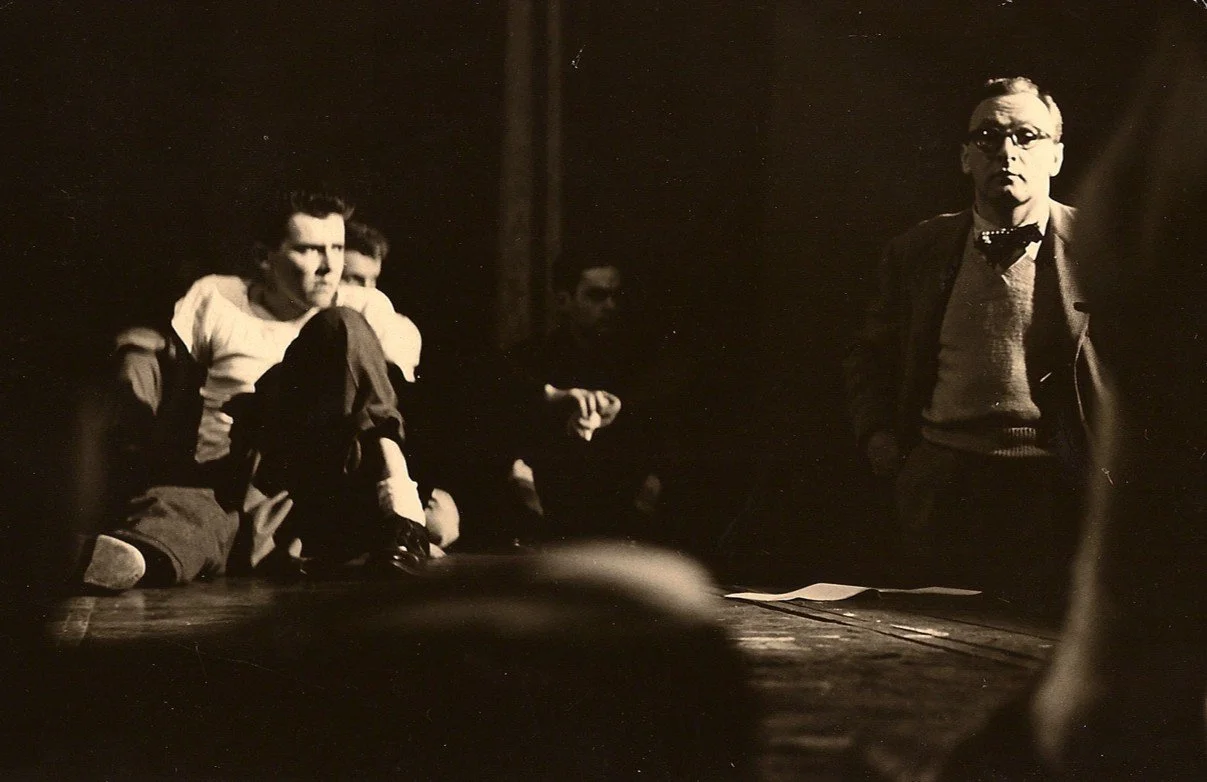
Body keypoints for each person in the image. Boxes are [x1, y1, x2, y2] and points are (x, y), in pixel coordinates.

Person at [77, 190, 458, 592]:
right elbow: (172, 374)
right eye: (310, 250)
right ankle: (121, 557)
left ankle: (401, 515)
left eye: (337, 248)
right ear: (264, 257)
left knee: (339, 326)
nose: (330, 266)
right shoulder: (218, 297)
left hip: (319, 471)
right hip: (235, 471)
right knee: (180, 518)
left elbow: (386, 397)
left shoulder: (361, 308)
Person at [843, 77, 1104, 600]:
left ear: (1055, 156)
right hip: (941, 486)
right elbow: (869, 355)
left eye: (1026, 136)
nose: (1006, 151)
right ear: (966, 158)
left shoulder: (1102, 247)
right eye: (989, 137)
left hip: (1056, 490)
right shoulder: (918, 249)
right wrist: (878, 435)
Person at [500, 247, 668, 543]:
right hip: (548, 515)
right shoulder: (529, 360)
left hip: (626, 520)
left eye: (616, 296)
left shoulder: (641, 364)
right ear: (564, 300)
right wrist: (557, 402)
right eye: (597, 296)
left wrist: (621, 409)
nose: (611, 307)